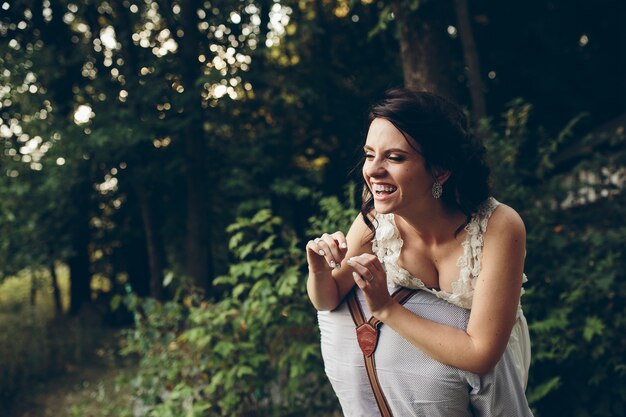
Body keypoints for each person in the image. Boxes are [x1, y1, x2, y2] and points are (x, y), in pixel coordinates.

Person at [306, 88, 533, 416]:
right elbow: (327, 299)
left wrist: (386, 309)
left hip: (486, 375)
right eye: (370, 155)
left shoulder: (500, 226)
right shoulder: (374, 218)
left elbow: (481, 353)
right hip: (413, 371)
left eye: (395, 158)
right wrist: (319, 270)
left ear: (440, 170)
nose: (373, 170)